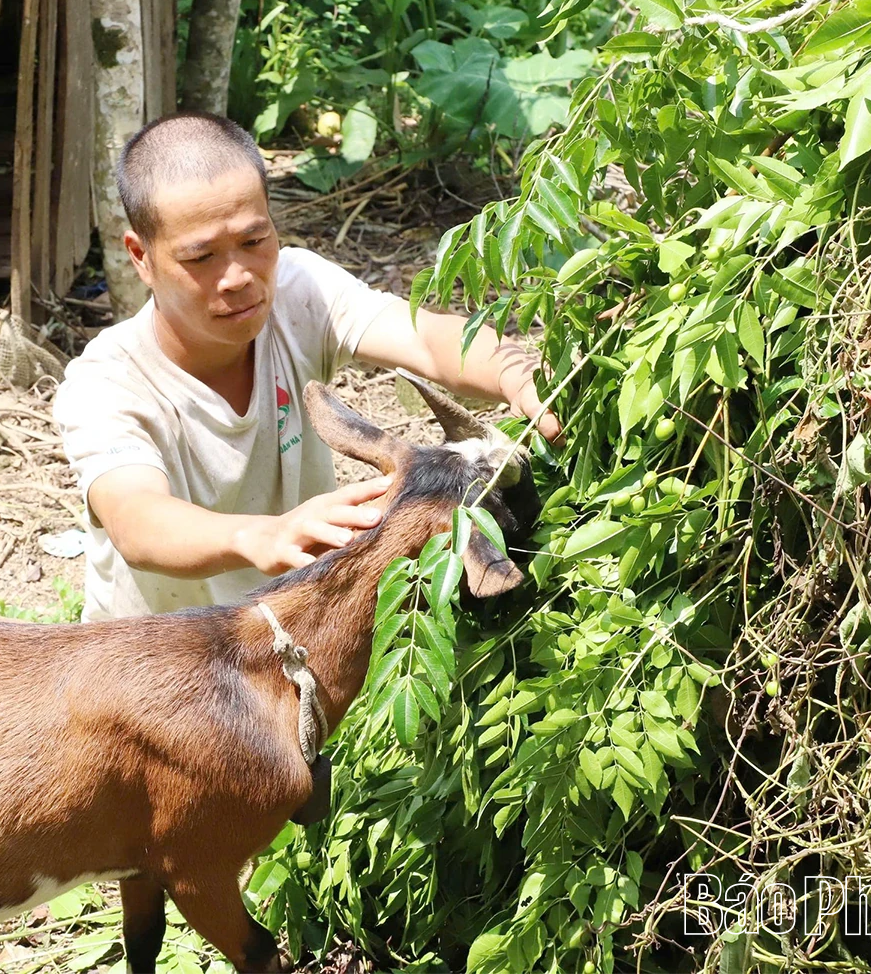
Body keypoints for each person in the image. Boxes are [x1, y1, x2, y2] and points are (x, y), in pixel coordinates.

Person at [54, 112, 560, 623]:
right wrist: (263, 535)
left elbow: (426, 340)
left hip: (298, 631)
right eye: (201, 256)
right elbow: (136, 519)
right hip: (158, 664)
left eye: (254, 242)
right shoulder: (107, 384)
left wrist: (516, 376)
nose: (238, 277)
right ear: (141, 257)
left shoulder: (300, 291)